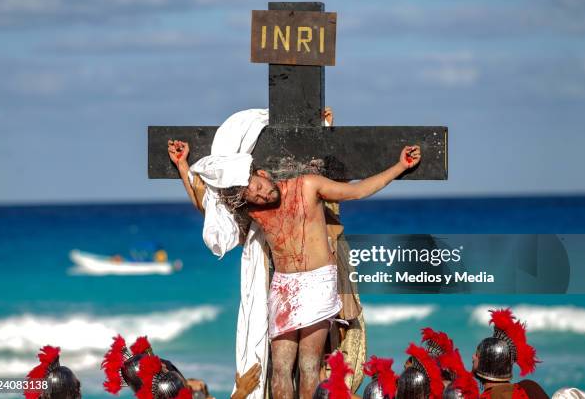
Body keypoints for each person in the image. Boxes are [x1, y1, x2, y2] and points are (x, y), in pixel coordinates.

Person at [169, 109, 421, 399]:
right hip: (284, 288)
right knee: (280, 368)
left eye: (261, 188)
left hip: (318, 282)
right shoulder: (255, 210)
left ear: (262, 174)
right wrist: (182, 167)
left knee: (310, 364)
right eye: (257, 196)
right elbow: (209, 207)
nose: (264, 196)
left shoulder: (308, 186)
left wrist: (399, 167)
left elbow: (358, 191)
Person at [471, 309, 547, 399]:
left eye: (477, 355)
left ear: (486, 363)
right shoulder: (530, 388)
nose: (473, 357)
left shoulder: (486, 397)